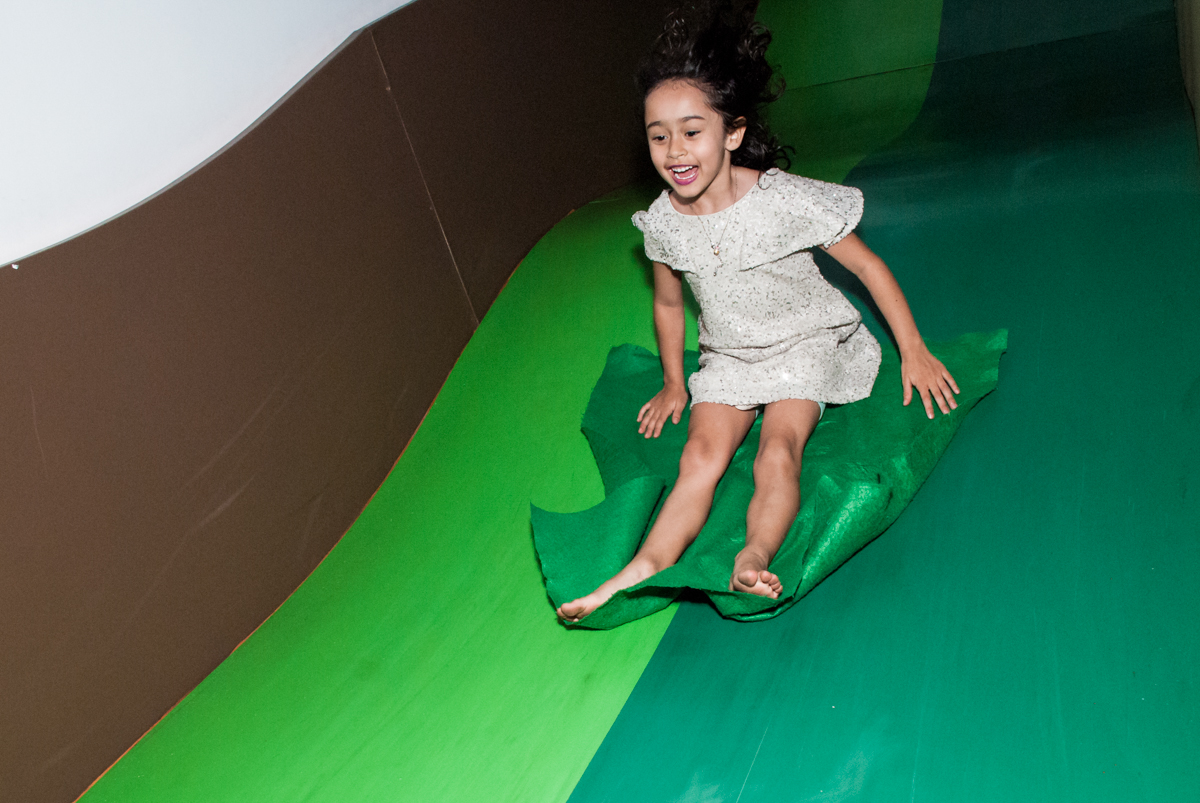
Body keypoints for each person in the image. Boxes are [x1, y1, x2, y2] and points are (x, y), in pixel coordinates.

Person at [556, 4, 959, 623]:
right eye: (657, 134)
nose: (674, 149)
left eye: (692, 131)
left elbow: (869, 267)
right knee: (699, 459)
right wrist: (672, 384)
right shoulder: (663, 222)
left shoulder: (780, 200)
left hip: (804, 346)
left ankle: (753, 555)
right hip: (730, 356)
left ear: (732, 133)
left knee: (777, 450)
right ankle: (642, 566)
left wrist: (913, 347)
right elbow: (668, 303)